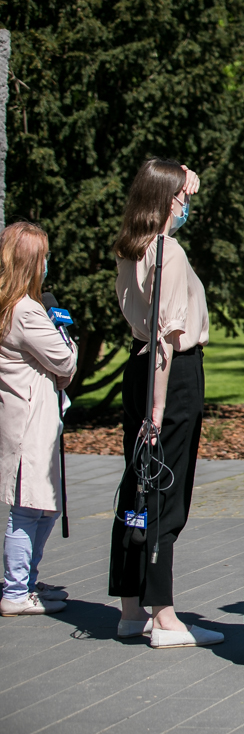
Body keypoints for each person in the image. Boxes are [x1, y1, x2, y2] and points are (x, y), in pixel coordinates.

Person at [109, 159, 222, 648]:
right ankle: (165, 616)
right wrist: (157, 411)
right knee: (164, 489)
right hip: (170, 376)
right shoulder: (167, 251)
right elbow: (167, 337)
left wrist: (180, 179)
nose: (187, 205)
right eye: (182, 198)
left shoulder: (132, 247)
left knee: (137, 484)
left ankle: (131, 608)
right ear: (165, 201)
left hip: (139, 369)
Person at [0, 223, 77, 616]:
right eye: (43, 257)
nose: (48, 264)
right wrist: (67, 344)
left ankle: (27, 580)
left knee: (43, 505)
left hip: (30, 417)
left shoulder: (13, 306)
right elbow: (64, 360)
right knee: (29, 506)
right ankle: (15, 592)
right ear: (30, 263)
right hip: (30, 421)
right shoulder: (27, 312)